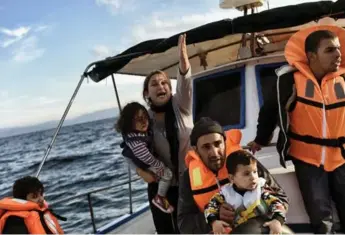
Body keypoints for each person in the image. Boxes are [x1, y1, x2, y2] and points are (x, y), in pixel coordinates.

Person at [247, 25, 345, 233]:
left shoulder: (343, 79)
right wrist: (260, 140)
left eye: (338, 49)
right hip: (308, 161)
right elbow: (270, 111)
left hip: (341, 158)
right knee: (322, 218)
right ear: (311, 56)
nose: (338, 54)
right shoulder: (289, 80)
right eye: (330, 50)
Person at [178, 117, 288, 234]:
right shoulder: (188, 177)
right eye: (206, 147)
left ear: (224, 143)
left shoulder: (244, 161)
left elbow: (281, 197)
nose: (214, 153)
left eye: (218, 144)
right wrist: (215, 217)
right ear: (196, 150)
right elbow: (184, 224)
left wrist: (261, 208)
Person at [134, 33, 193, 234]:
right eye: (154, 84)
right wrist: (139, 171)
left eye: (165, 83)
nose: (161, 86)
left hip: (189, 183)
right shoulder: (142, 120)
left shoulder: (181, 104)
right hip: (161, 188)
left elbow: (185, 80)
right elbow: (132, 149)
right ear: (146, 94)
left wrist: (183, 58)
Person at [205, 150, 291, 234]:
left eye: (255, 172)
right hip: (237, 228)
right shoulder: (225, 193)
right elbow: (210, 207)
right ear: (232, 178)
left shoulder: (262, 190)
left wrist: (277, 221)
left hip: (263, 227)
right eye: (246, 174)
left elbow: (277, 204)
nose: (253, 177)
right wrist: (214, 222)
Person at [116, 101, 174, 213]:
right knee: (167, 174)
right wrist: (158, 165)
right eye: (138, 119)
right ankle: (160, 197)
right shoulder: (136, 142)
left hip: (149, 164)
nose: (144, 121)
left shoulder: (138, 133)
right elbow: (146, 157)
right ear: (129, 123)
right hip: (148, 164)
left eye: (145, 117)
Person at [0, 176, 65, 234]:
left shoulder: (41, 213)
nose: (41, 199)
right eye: (34, 196)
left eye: (41, 194)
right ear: (22, 200)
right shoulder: (15, 221)